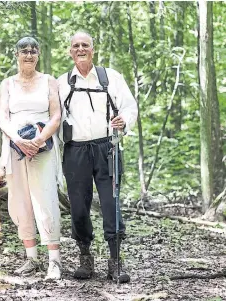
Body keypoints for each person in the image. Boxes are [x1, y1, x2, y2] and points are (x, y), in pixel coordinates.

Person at [58, 31, 138, 283]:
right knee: (79, 207)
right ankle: (85, 257)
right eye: (75, 46)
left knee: (111, 204)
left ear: (93, 49)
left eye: (85, 45)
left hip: (108, 148)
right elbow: (51, 116)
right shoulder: (61, 82)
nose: (80, 49)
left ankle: (115, 262)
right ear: (70, 51)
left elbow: (130, 106)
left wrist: (124, 120)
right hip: (76, 151)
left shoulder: (111, 77)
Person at [0, 37, 63, 280]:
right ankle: (31, 257)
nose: (29, 55)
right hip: (15, 145)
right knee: (19, 200)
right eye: (24, 51)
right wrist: (18, 139)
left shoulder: (49, 81)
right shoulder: (7, 84)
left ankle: (54, 261)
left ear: (39, 55)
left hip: (42, 144)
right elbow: (3, 117)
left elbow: (55, 116)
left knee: (45, 198)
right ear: (16, 54)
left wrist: (38, 140)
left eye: (33, 51)